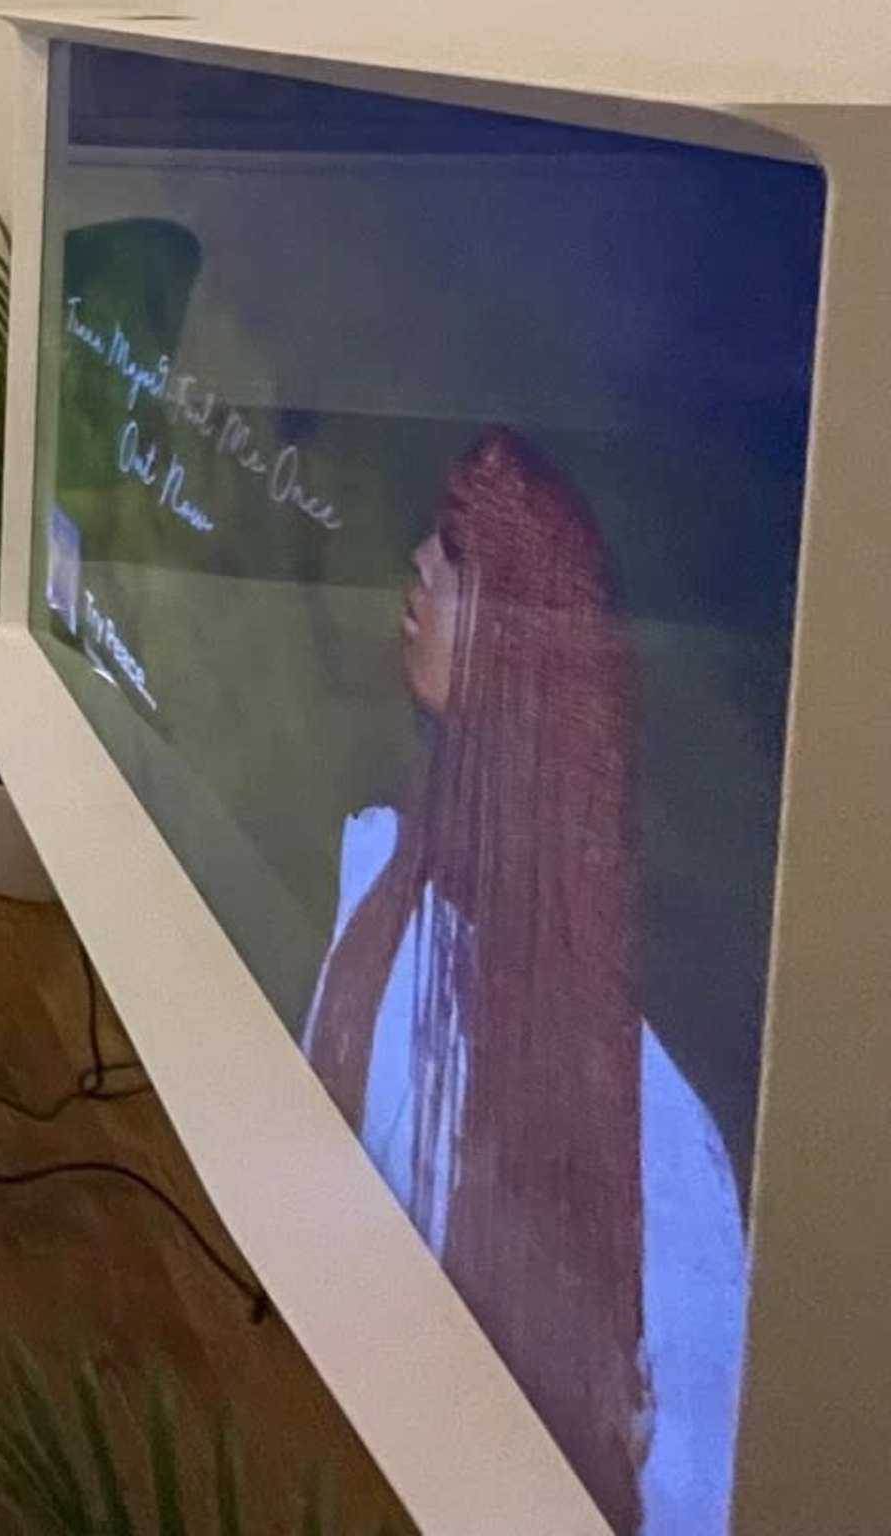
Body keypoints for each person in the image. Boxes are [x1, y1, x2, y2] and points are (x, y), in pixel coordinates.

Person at [302, 429, 747, 1535]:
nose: (417, 566)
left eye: (455, 555)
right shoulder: (376, 879)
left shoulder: (663, 1146)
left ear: (530, 642)